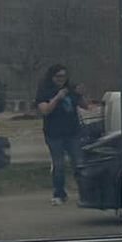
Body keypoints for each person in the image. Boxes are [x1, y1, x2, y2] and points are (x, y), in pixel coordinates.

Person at [35, 64, 86, 204]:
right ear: (52, 77)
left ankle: (85, 192)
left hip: (73, 132)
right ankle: (59, 193)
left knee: (79, 163)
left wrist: (81, 95)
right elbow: (44, 110)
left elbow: (84, 105)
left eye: (64, 76)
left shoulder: (70, 89)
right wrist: (57, 98)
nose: (61, 79)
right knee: (59, 164)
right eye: (58, 76)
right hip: (54, 134)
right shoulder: (45, 91)